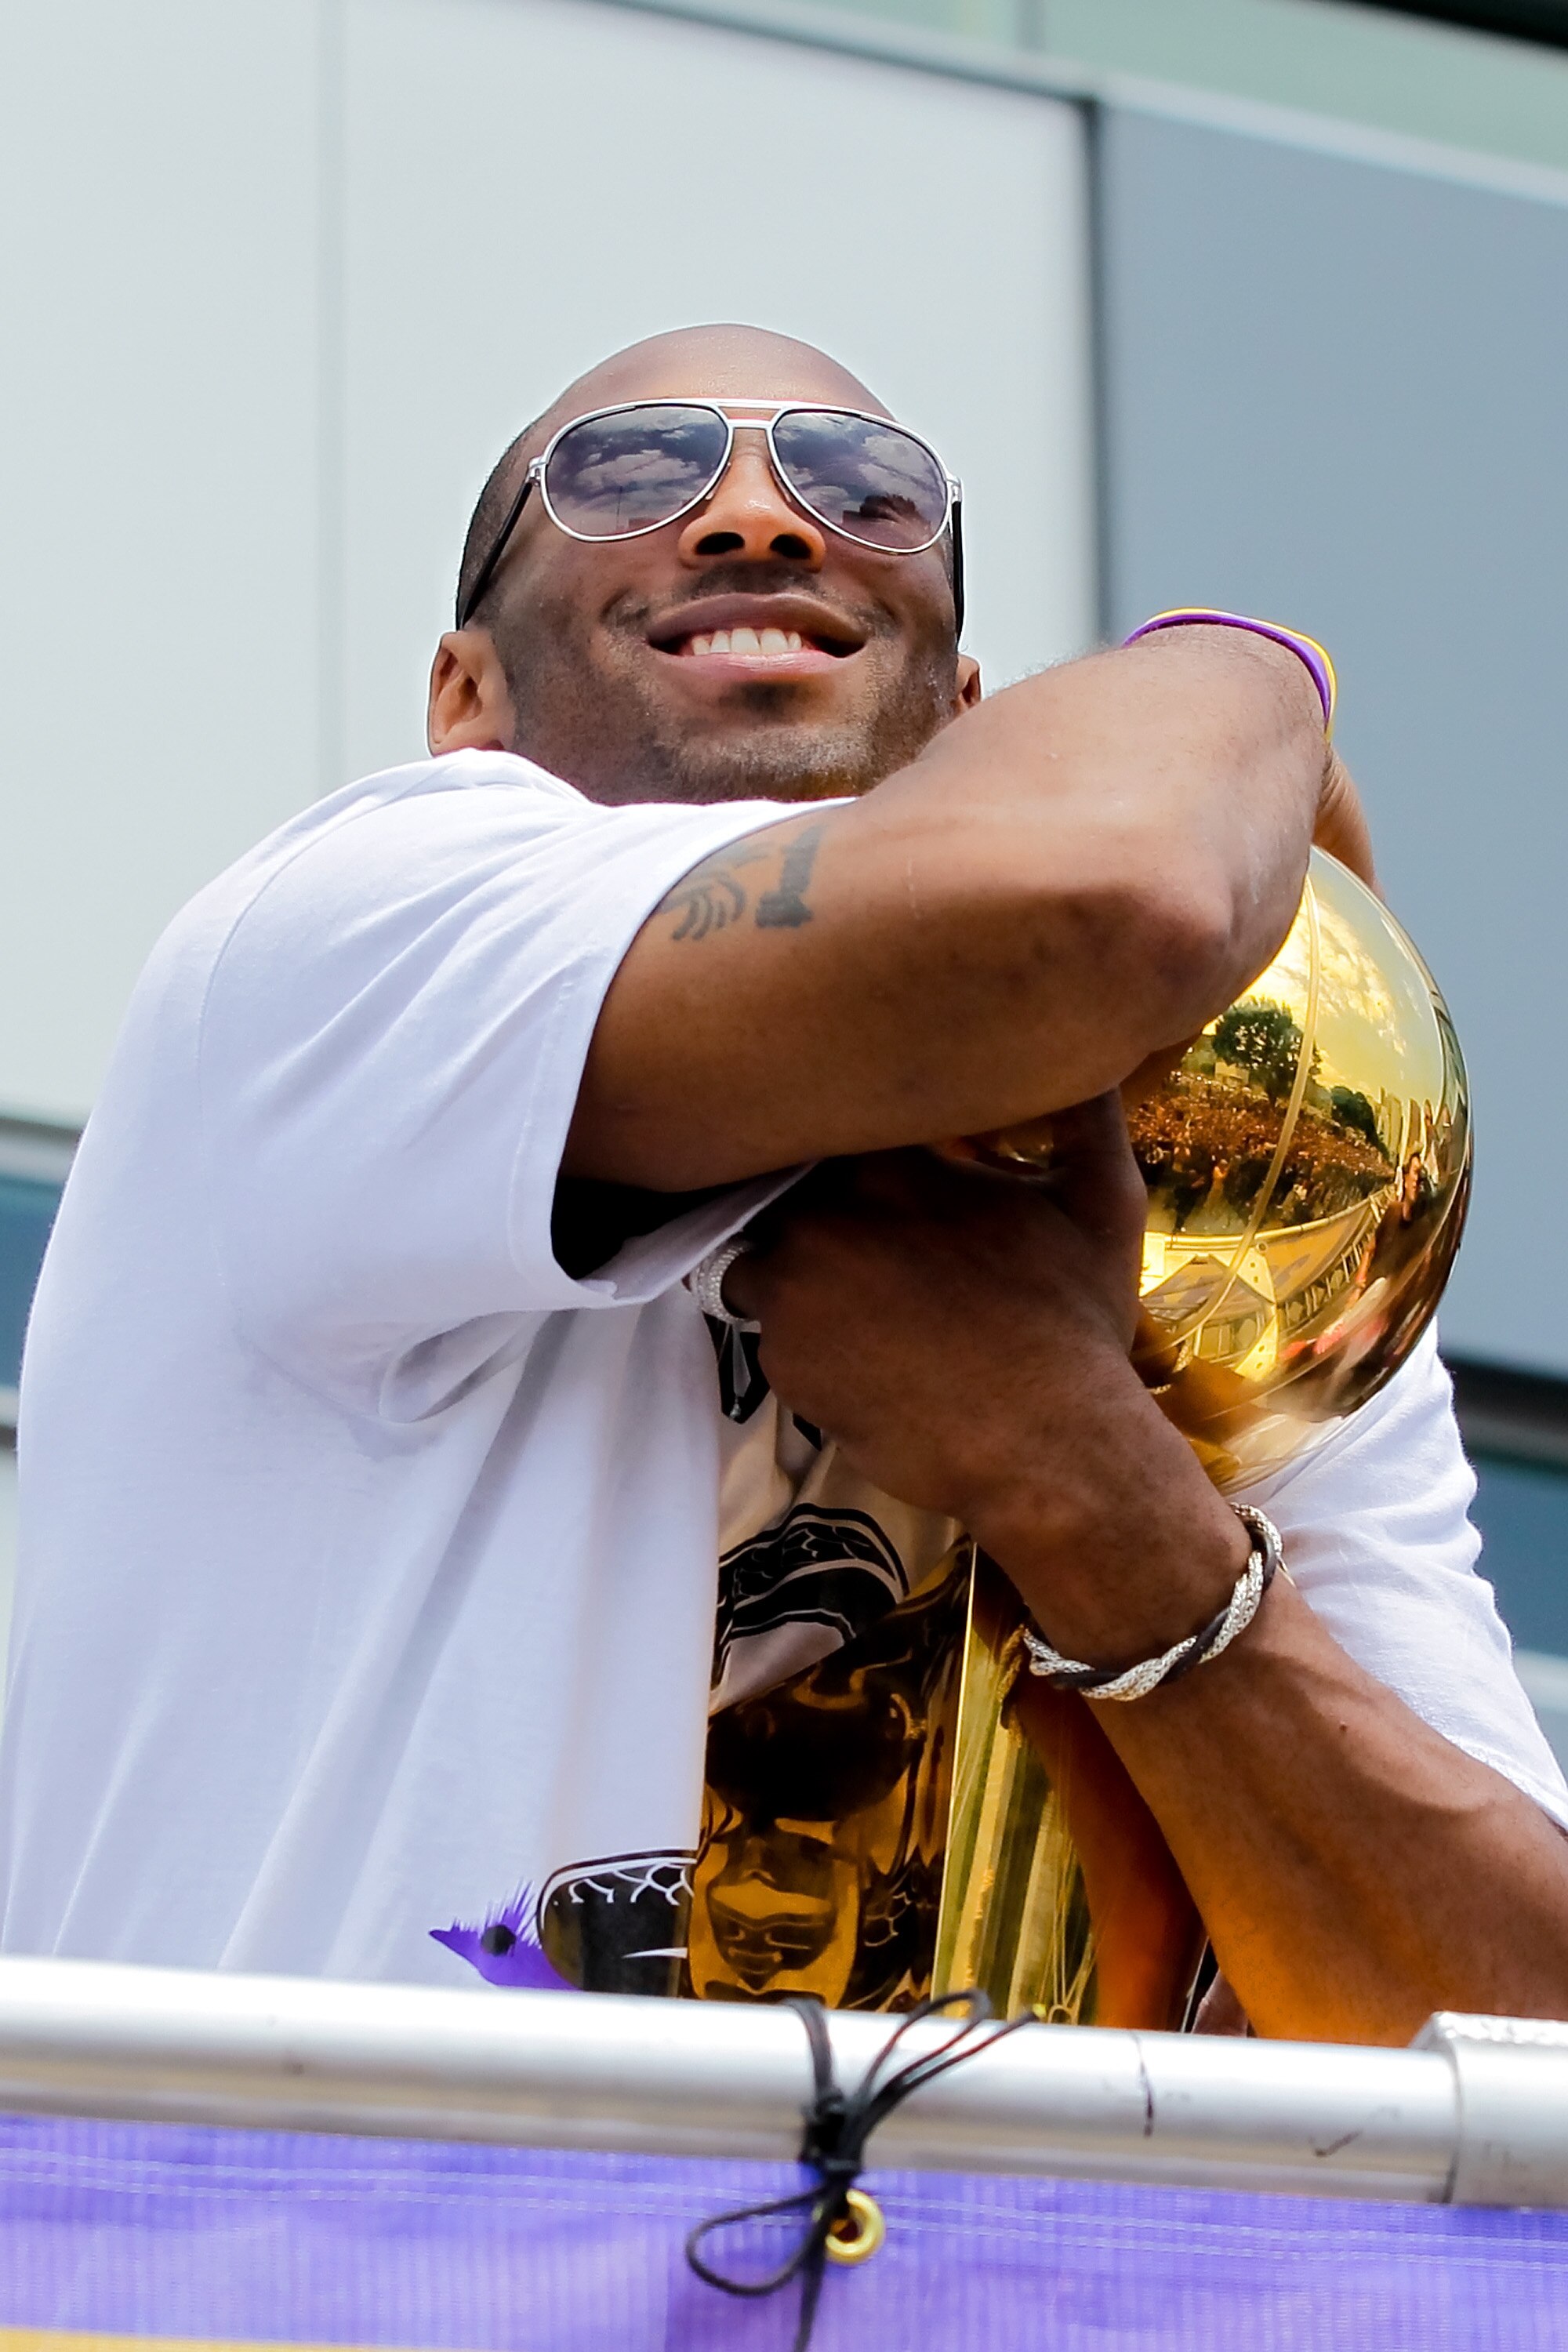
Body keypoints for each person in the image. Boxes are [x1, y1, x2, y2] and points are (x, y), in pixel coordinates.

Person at [5, 323, 1566, 2046]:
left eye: (864, 489)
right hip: (265, 2225)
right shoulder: (341, 938)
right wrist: (1255, 675)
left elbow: (1528, 2058)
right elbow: (1114, 893)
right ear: (464, 703)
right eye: (629, 471)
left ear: (971, 718)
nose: (758, 516)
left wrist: (1094, 1493)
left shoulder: (1231, 1236)